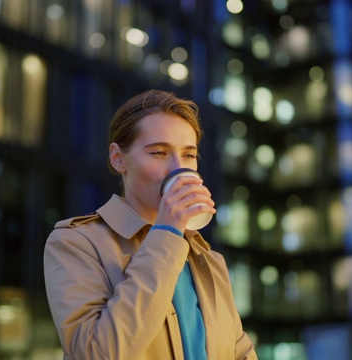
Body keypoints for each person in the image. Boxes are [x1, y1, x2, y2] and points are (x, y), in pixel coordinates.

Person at [44, 89, 257, 359]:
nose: (178, 168)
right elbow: (96, 353)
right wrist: (166, 233)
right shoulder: (76, 242)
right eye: (159, 152)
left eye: (189, 155)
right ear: (118, 158)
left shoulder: (209, 260)